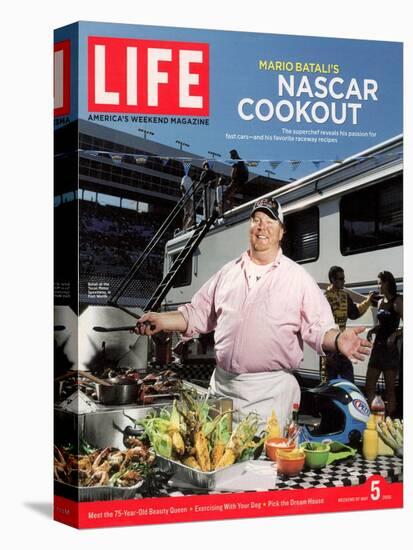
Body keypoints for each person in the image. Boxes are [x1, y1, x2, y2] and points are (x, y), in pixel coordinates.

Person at [135, 197, 371, 431]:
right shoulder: (228, 272)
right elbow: (196, 314)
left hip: (270, 393)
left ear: (281, 232)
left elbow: (317, 328)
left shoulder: (297, 278)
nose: (262, 227)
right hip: (223, 388)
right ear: (249, 227)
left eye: (270, 222)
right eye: (256, 220)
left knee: (263, 466)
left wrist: (338, 339)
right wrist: (161, 319)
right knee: (217, 459)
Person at [323, 266, 375, 383]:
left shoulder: (344, 296)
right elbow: (320, 326)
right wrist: (325, 353)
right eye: (341, 279)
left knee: (349, 383)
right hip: (329, 350)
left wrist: (368, 301)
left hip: (343, 346)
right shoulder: (324, 298)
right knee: (328, 387)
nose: (343, 282)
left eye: (343, 279)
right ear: (332, 279)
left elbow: (354, 313)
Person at [366, 271, 403, 417]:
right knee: (369, 386)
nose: (378, 286)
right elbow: (382, 325)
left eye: (380, 283)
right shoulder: (381, 302)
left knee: (389, 390)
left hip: (390, 351)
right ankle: (375, 417)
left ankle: (389, 420)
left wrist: (395, 334)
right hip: (378, 348)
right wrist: (372, 330)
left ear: (387, 283)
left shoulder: (398, 300)